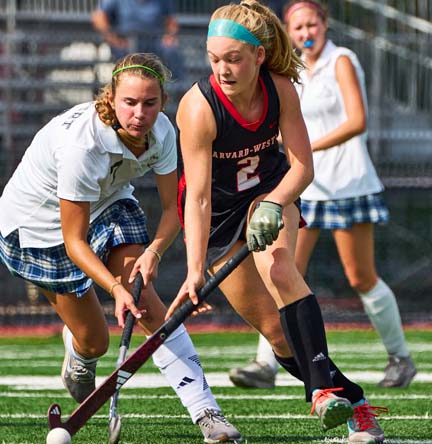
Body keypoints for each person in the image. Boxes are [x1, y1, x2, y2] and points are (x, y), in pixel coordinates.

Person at [166, 2, 387, 443]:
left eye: (233, 59)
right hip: (218, 218)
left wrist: (274, 202)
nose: (223, 70)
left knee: (281, 269)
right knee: (276, 334)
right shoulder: (198, 108)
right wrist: (193, 271)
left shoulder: (281, 89)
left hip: (269, 193)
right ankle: (357, 402)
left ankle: (322, 393)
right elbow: (199, 198)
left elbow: (302, 166)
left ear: (259, 56)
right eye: (214, 59)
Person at [0, 52, 242, 444]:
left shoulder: (162, 132)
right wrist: (114, 289)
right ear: (110, 98)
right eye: (129, 102)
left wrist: (153, 253)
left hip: (108, 202)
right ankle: (79, 349)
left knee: (144, 299)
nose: (139, 114)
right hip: (37, 230)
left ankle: (207, 413)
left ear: (163, 102)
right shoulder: (82, 147)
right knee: (95, 340)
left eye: (149, 103)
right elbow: (74, 241)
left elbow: (173, 209)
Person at [229, 0, 417, 393]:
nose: (305, 33)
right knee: (282, 271)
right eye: (297, 28)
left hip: (347, 182)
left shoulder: (341, 60)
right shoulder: (291, 71)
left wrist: (305, 149)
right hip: (304, 187)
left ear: (325, 24)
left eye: (311, 24)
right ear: (289, 32)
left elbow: (357, 120)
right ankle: (267, 363)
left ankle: (400, 358)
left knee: (360, 276)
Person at [91, 0, 184, 80]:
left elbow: (172, 21)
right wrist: (113, 39)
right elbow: (99, 17)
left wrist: (169, 36)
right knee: (126, 61)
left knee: (170, 50)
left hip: (155, 43)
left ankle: (177, 88)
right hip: (126, 45)